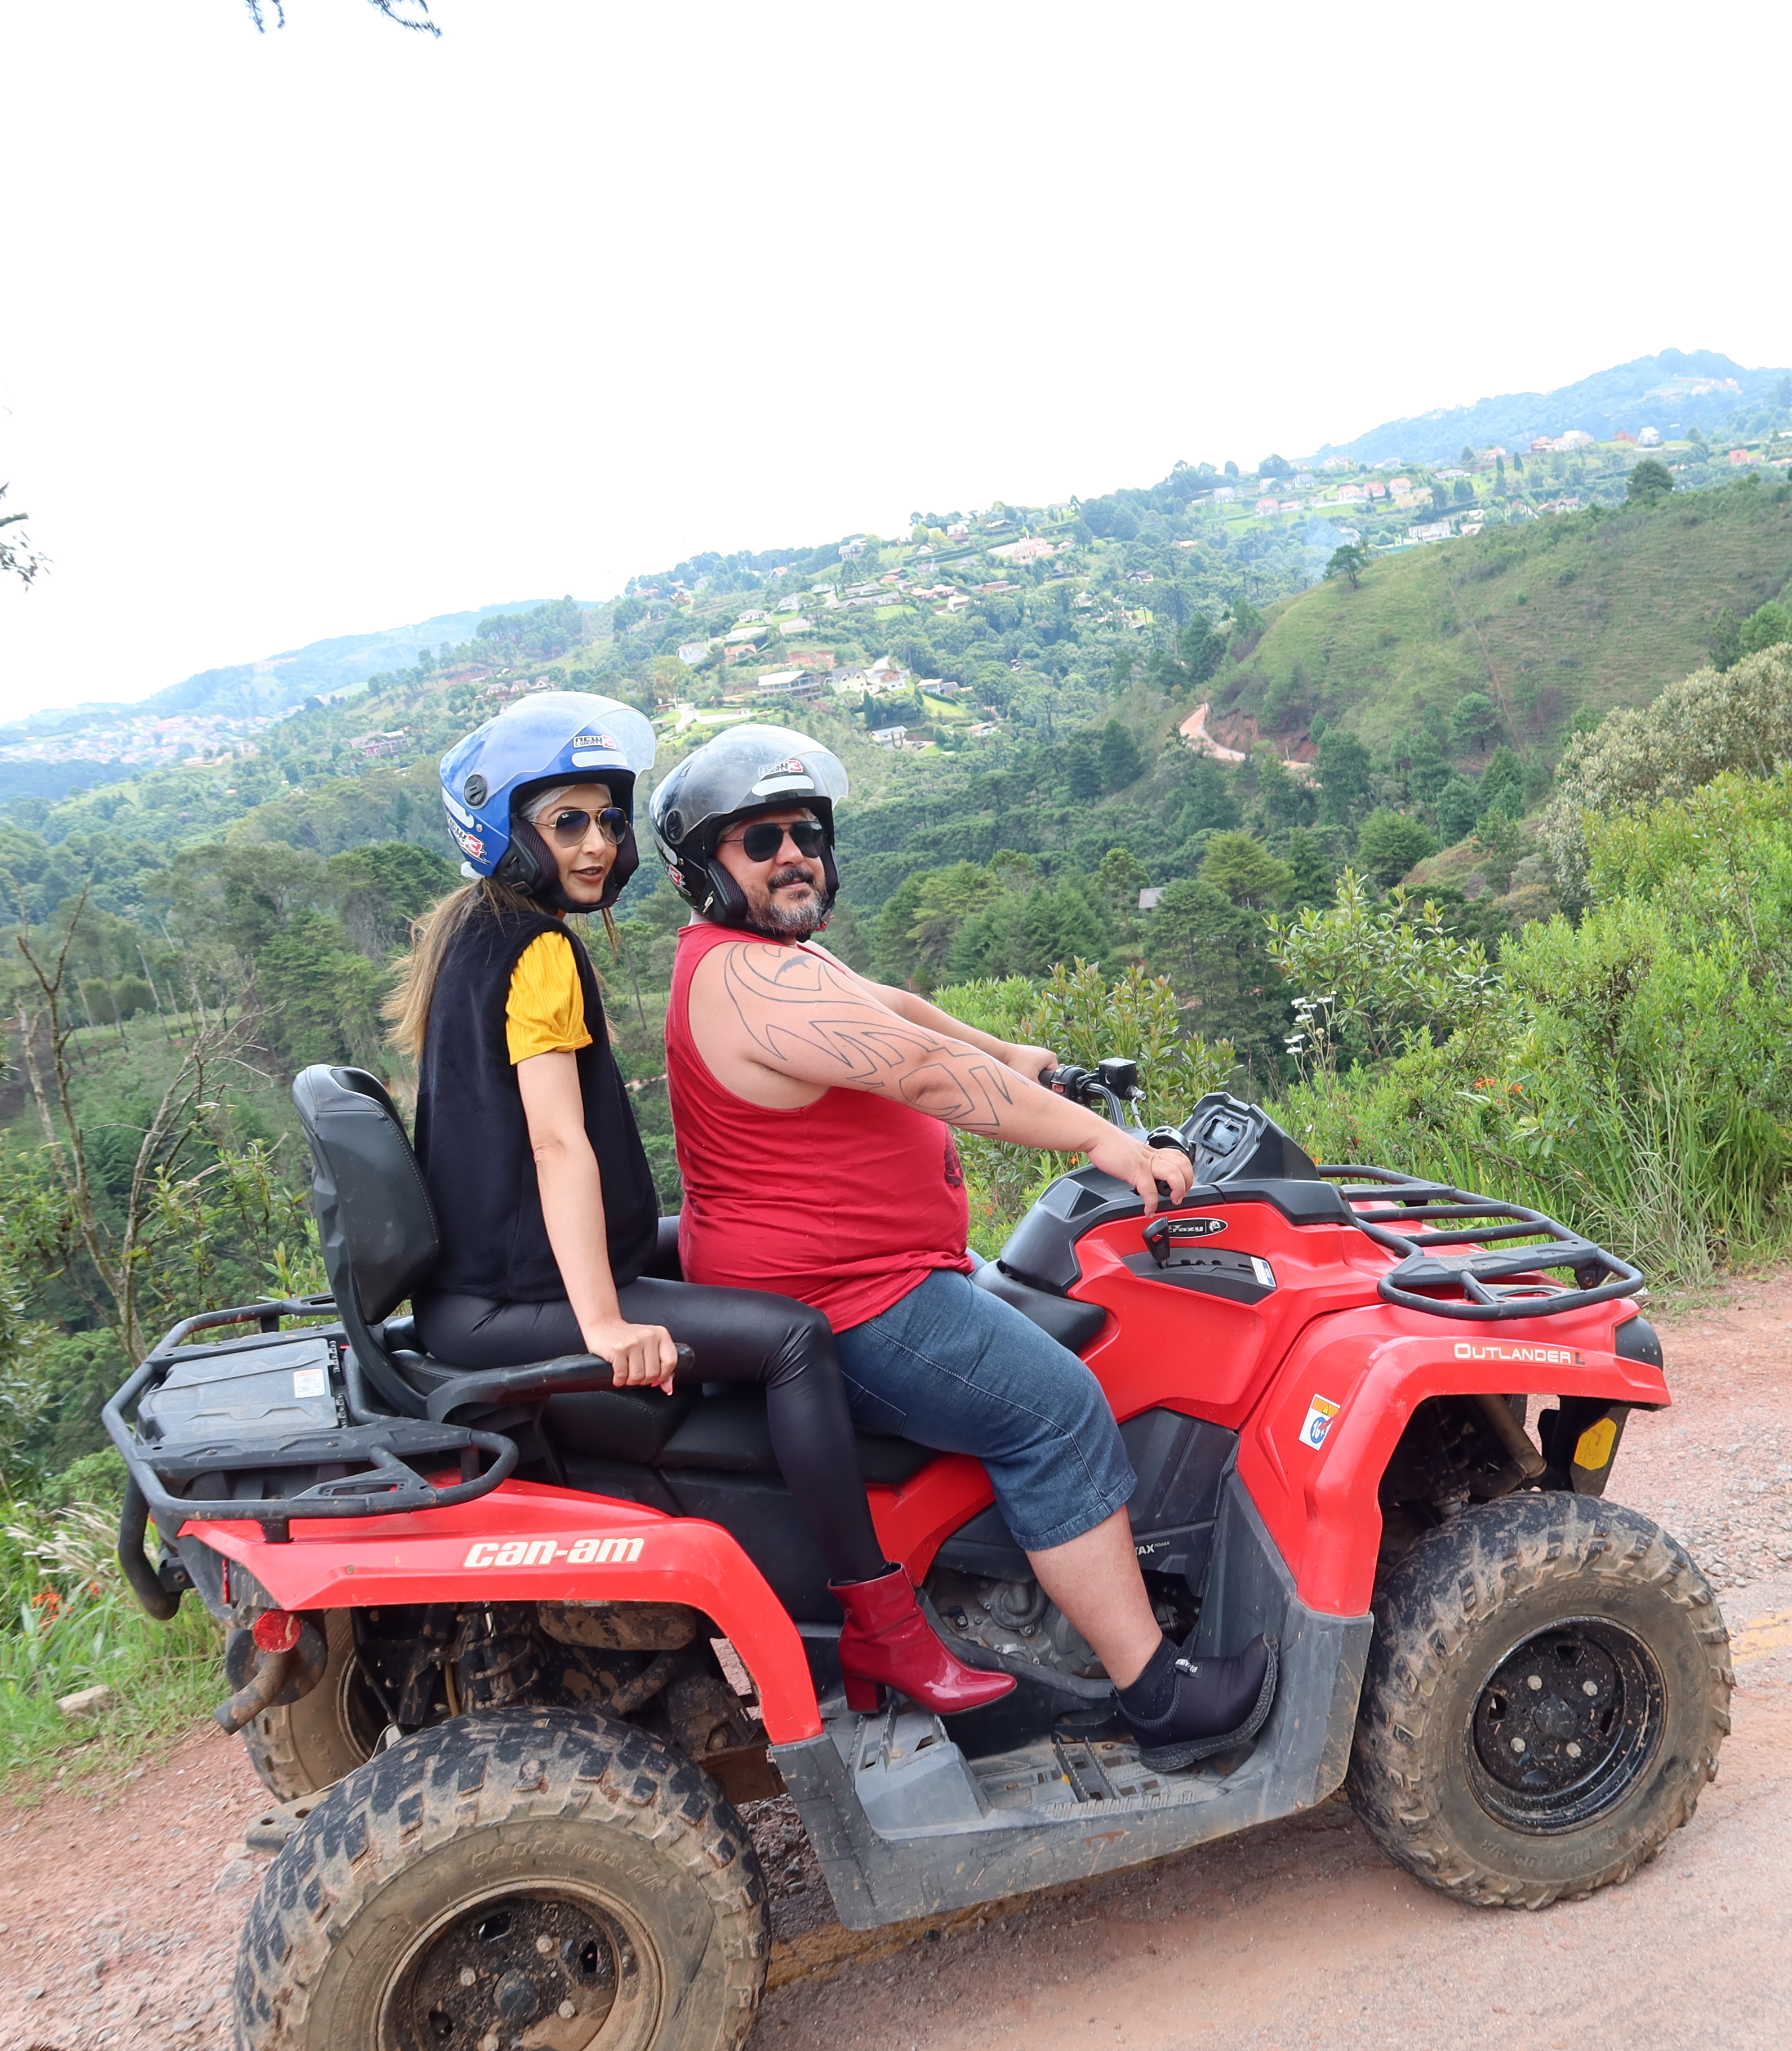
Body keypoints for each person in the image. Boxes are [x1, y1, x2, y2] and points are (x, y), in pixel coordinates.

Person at [652, 725, 1277, 1770]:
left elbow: (888, 1012)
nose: (791, 853)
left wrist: (1017, 1056)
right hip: (847, 1299)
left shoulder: (780, 958)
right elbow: (918, 1075)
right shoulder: (746, 981)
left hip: (870, 1273)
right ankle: (1157, 1697)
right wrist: (1104, 1141)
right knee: (1058, 1412)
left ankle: (1037, 1602)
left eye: (805, 831)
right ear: (703, 871)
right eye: (758, 840)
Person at [389, 693, 1010, 1717]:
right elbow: (556, 1142)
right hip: (521, 1295)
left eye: (606, 821)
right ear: (510, 835)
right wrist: (603, 1324)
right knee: (793, 1338)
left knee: (727, 1247)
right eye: (567, 824)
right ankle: (879, 1623)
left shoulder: (476, 933)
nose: (597, 847)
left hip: (496, 1274)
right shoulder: (536, 948)